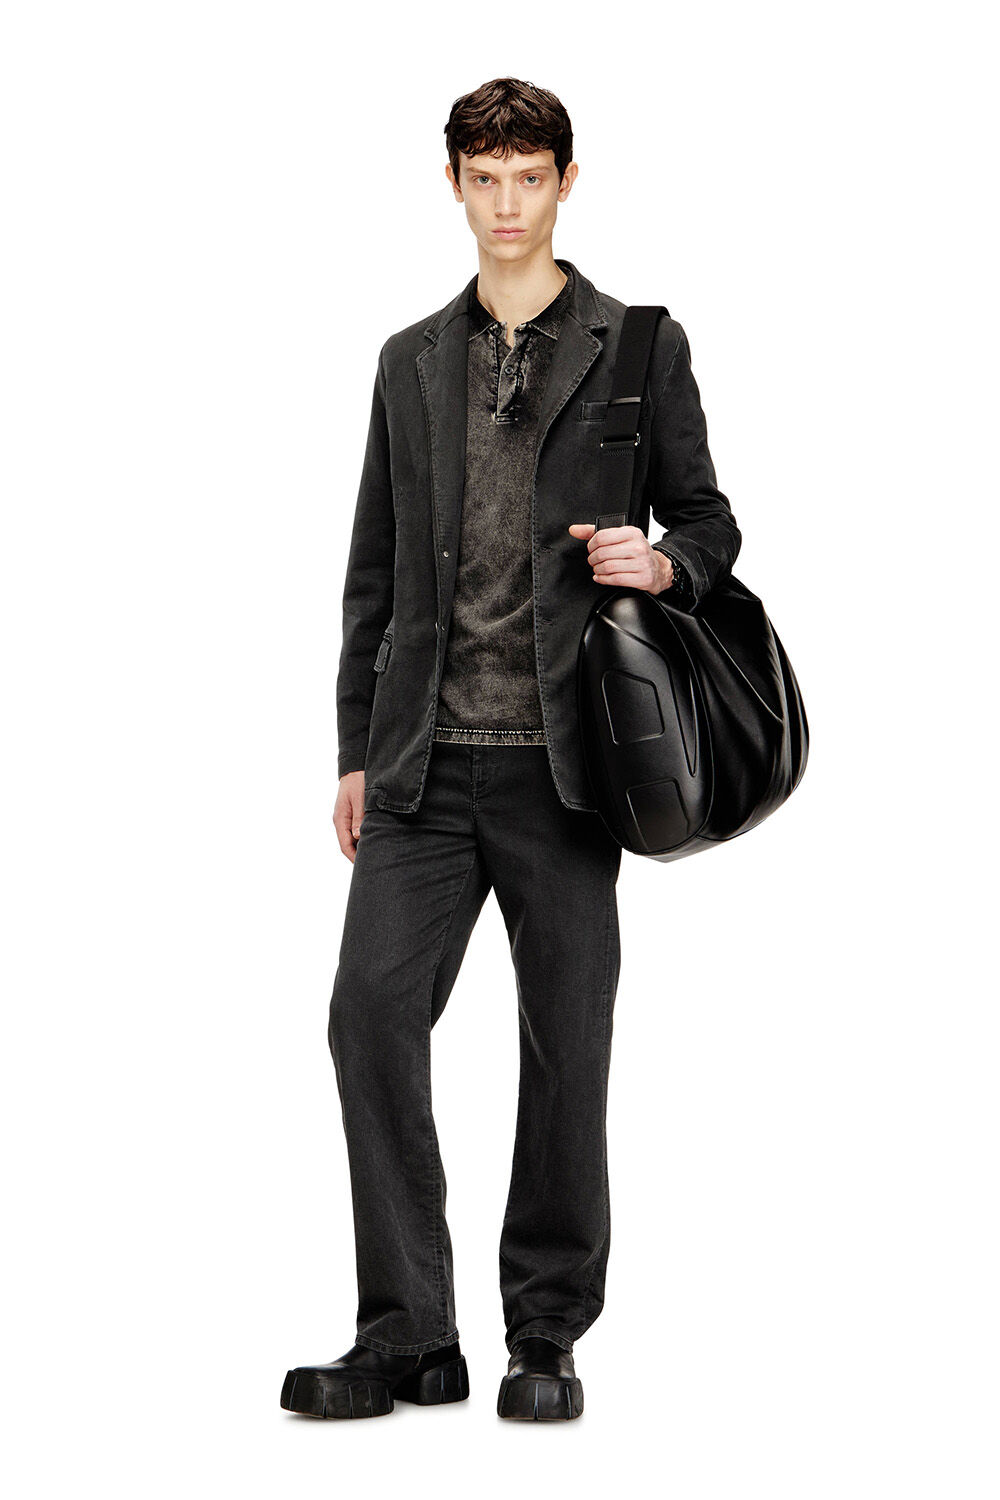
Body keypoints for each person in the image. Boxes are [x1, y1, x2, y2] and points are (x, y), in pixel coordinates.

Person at [280, 76, 741, 1423]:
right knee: (368, 1016)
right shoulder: (409, 360)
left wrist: (660, 563)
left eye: (527, 177)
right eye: (483, 178)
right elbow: (372, 573)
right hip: (421, 768)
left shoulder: (638, 346)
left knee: (565, 1049)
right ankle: (407, 1333)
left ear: (565, 183)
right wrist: (356, 748)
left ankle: (545, 1335)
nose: (505, 204)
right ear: (454, 186)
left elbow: (710, 521)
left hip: (567, 767)